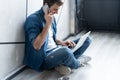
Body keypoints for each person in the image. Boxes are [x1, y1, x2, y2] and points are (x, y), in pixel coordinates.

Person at [23, 0, 91, 75]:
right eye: (55, 9)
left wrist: (62, 42)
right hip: (43, 58)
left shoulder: (51, 17)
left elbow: (50, 38)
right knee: (65, 52)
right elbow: (37, 46)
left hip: (56, 49)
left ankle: (61, 63)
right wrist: (48, 24)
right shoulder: (33, 19)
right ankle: (78, 62)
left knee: (87, 40)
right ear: (46, 6)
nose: (57, 12)